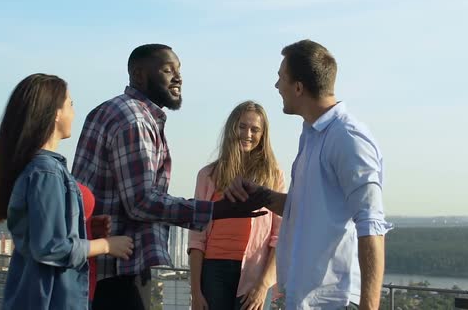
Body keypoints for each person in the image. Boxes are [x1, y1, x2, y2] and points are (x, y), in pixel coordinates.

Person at [72, 44, 270, 310]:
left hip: (97, 265)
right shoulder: (135, 121)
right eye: (168, 70)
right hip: (115, 267)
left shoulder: (111, 110)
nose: (178, 78)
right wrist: (217, 210)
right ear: (139, 74)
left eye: (179, 70)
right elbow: (140, 201)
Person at [224, 40, 393, 310]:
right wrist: (260, 194)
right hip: (304, 300)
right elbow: (304, 209)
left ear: (299, 88)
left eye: (281, 78)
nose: (277, 86)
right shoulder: (311, 136)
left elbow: (371, 225)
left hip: (334, 302)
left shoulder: (348, 138)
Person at [0, 73, 134, 310]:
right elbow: (51, 247)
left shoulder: (38, 168)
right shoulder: (47, 172)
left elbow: (42, 232)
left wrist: (84, 228)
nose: (73, 113)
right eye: (70, 104)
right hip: (49, 299)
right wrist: (106, 245)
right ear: (56, 113)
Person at [188, 101, 284, 310]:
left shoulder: (273, 176)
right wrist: (195, 292)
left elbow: (280, 236)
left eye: (255, 129)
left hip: (255, 274)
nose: (247, 134)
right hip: (214, 271)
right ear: (232, 128)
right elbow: (196, 238)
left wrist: (263, 285)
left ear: (263, 135)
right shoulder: (208, 175)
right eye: (242, 126)